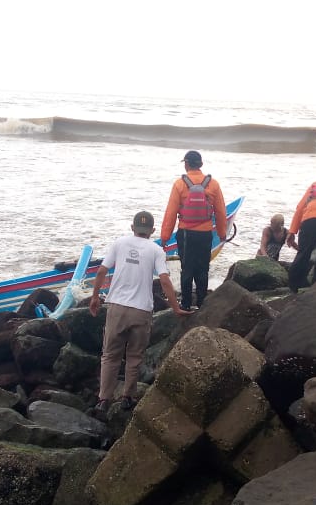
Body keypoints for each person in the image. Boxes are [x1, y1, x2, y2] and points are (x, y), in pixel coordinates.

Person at [89, 210, 191, 412]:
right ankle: (127, 397)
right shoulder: (156, 250)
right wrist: (176, 307)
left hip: (117, 307)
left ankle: (103, 400)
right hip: (141, 310)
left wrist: (94, 297)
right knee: (134, 356)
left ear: (132, 228)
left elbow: (101, 271)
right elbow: (164, 280)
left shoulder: (119, 243)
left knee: (110, 356)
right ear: (152, 230)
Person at [160, 150, 227, 310]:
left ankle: (185, 304)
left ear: (187, 164)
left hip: (185, 234)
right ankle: (202, 303)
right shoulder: (213, 184)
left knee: (187, 268)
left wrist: (164, 237)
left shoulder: (179, 184)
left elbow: (171, 212)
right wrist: (222, 233)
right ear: (201, 165)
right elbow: (220, 211)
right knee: (203, 268)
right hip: (205, 234)